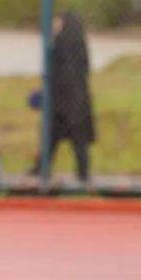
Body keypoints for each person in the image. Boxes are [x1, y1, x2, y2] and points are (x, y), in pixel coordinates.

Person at [37, 11, 95, 183]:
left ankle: (81, 172)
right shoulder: (76, 44)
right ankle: (79, 172)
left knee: (70, 138)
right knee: (57, 136)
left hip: (67, 100)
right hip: (72, 100)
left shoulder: (63, 44)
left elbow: (61, 72)